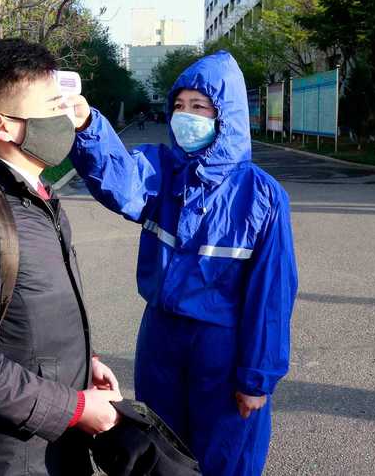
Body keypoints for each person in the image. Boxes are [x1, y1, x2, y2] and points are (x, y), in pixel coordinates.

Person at [67, 51, 298, 475]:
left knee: (225, 456)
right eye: (178, 106)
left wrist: (256, 379)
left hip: (223, 349)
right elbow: (119, 180)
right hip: (161, 337)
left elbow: (272, 296)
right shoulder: (163, 172)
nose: (184, 116)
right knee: (162, 452)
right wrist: (87, 124)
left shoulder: (261, 195)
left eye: (199, 107)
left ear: (224, 115)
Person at [0, 38, 122, 476]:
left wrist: (81, 363)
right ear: (3, 125)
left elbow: (27, 317)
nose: (66, 117)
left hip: (55, 436)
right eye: (52, 106)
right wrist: (73, 406)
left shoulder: (37, 197)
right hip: (9, 456)